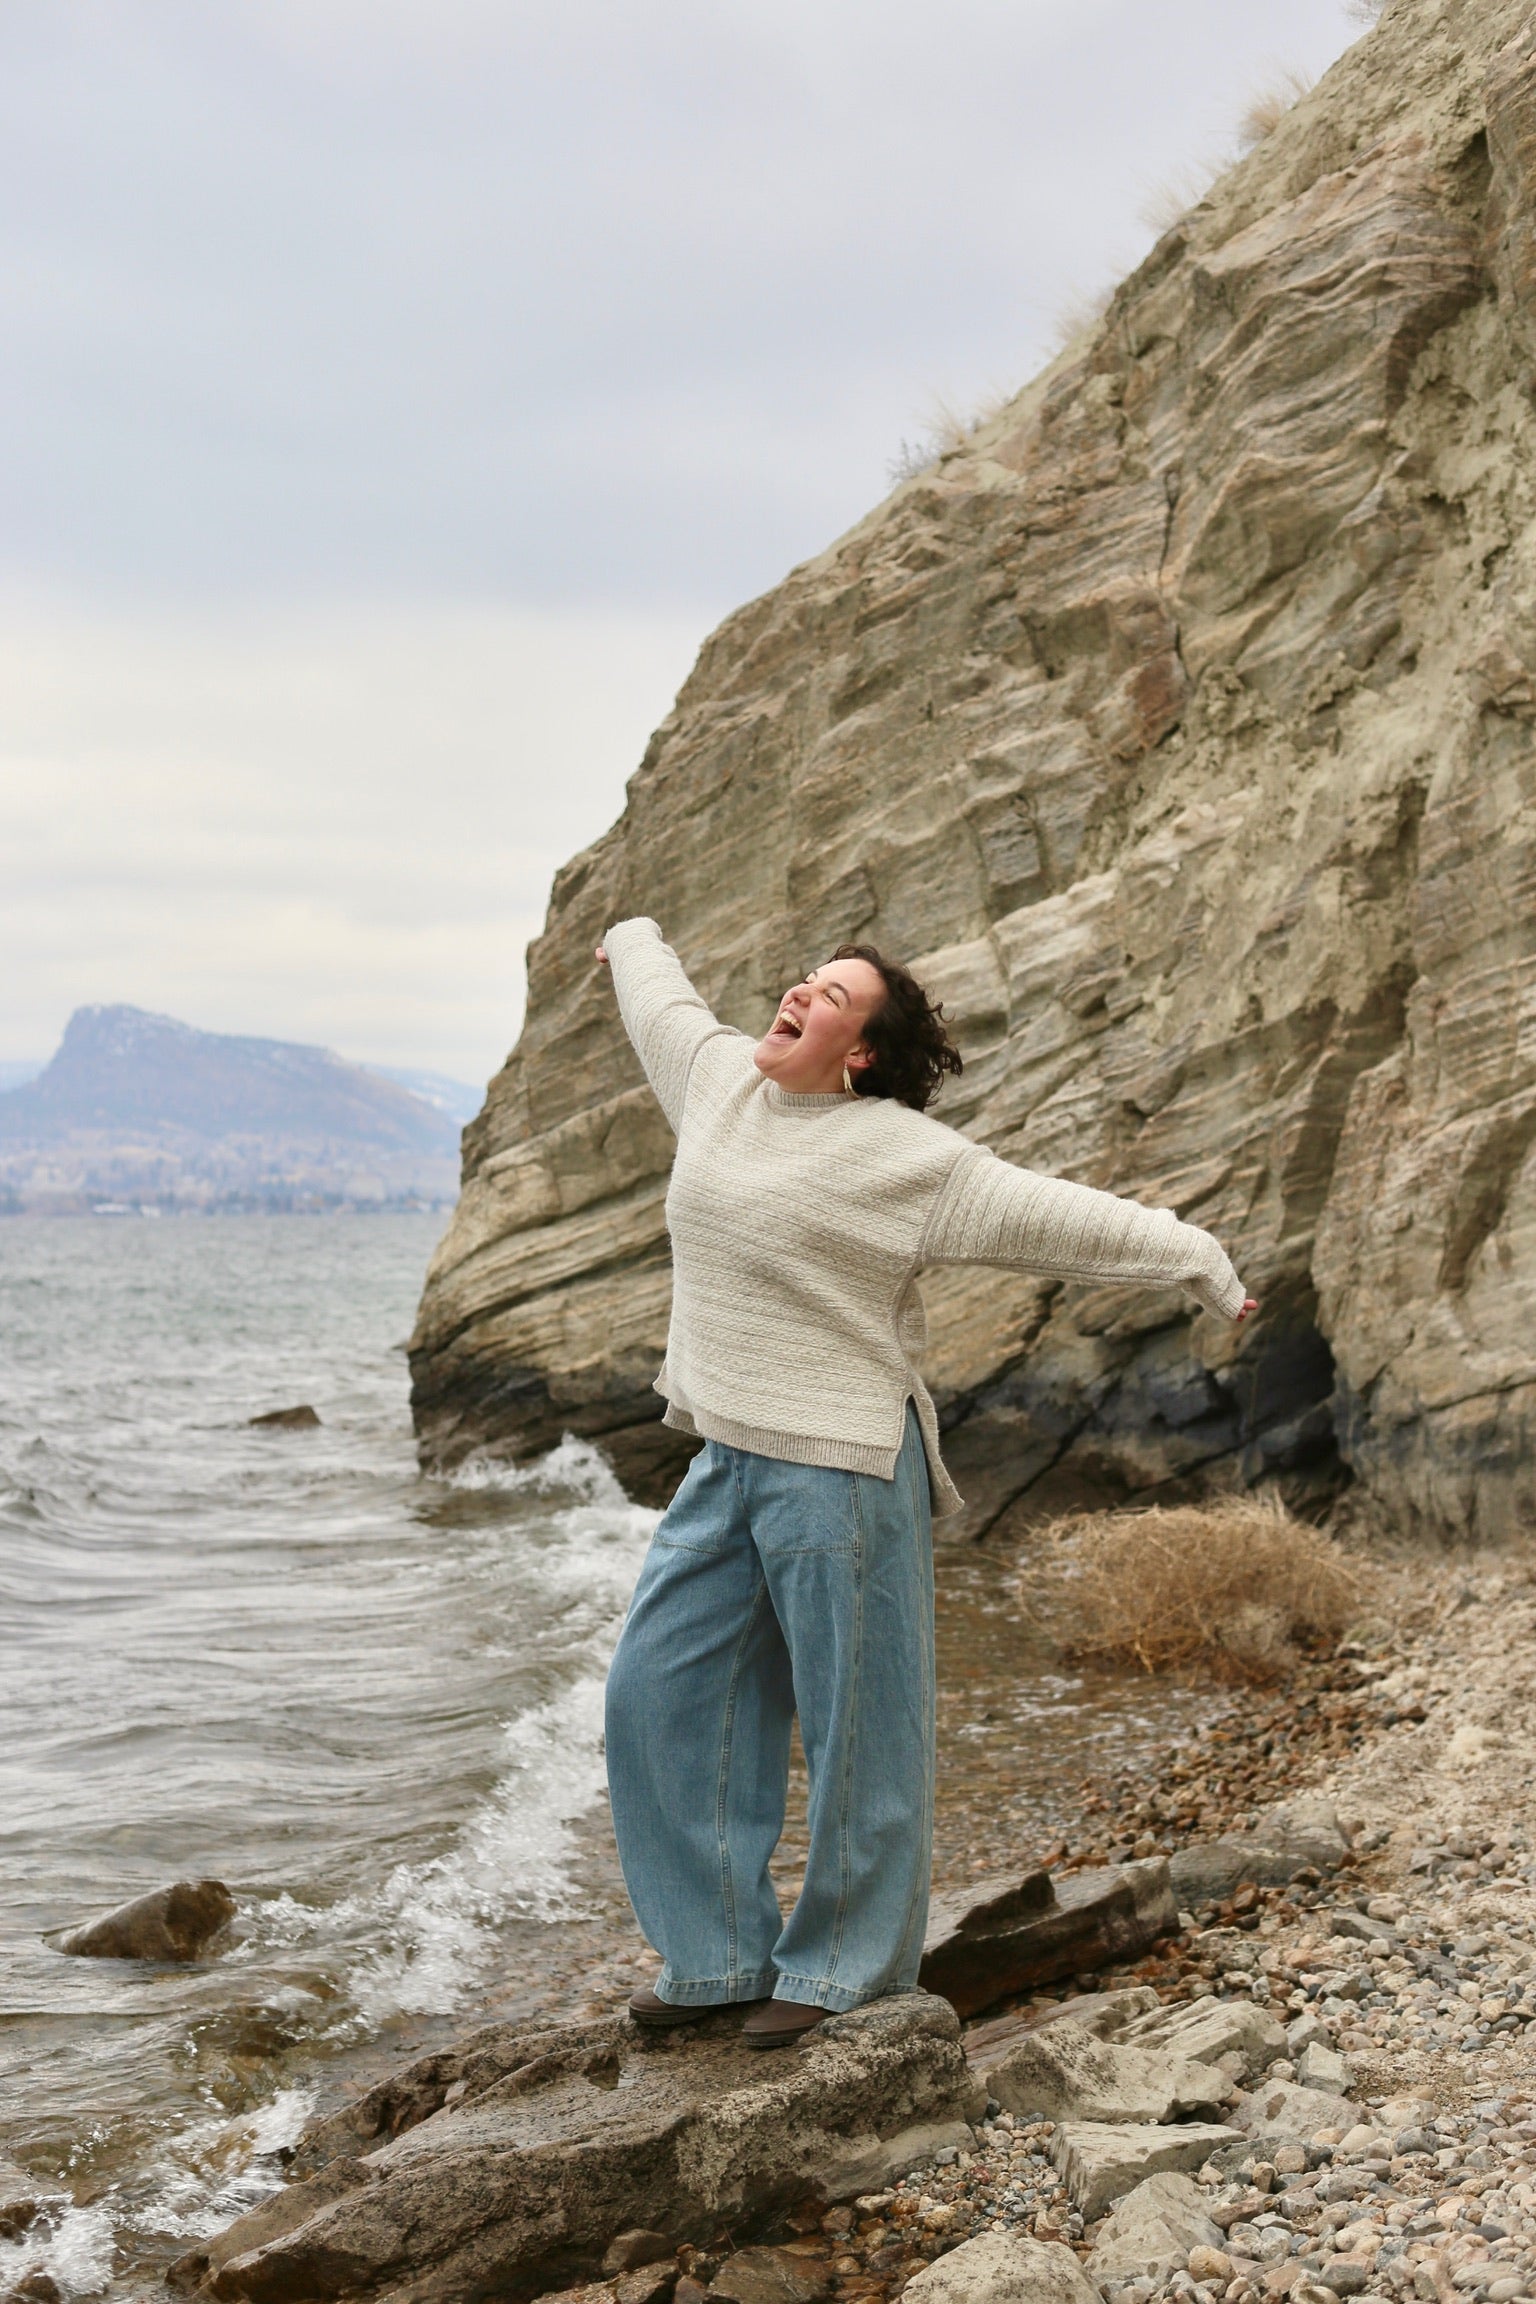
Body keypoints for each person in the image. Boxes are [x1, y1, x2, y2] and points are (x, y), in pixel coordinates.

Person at [596, 917, 1255, 2049]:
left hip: (843, 1466)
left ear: (858, 1051)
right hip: (727, 1455)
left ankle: (845, 1968)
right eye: (802, 978)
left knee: (861, 1730)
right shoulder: (717, 1084)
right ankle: (711, 1957)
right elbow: (662, 1003)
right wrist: (630, 934)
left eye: (832, 994)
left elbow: (1059, 1218)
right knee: (656, 1697)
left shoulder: (908, 1158)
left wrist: (1200, 1261)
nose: (799, 991)